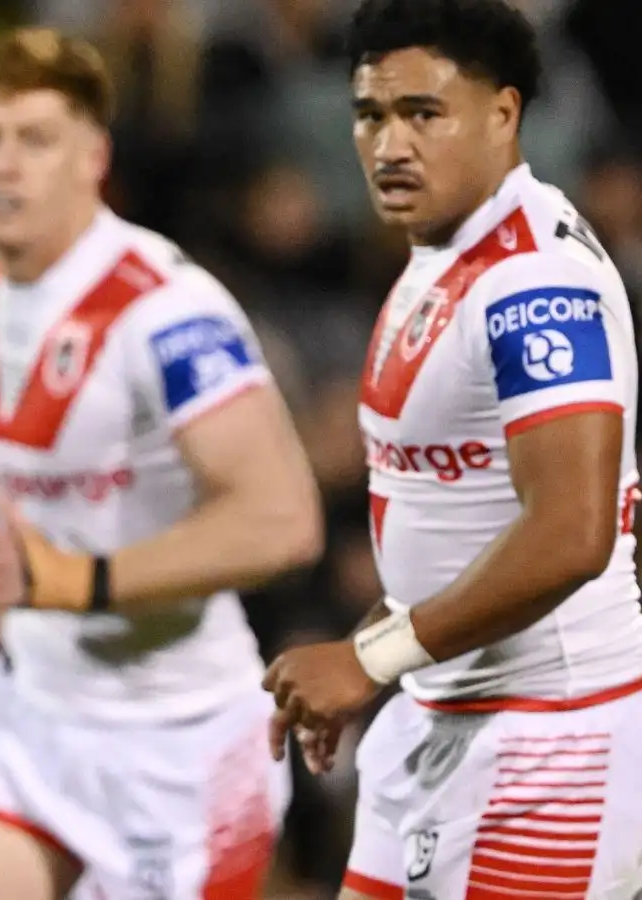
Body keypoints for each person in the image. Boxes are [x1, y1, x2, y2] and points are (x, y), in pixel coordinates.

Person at [0, 28, 324, 900]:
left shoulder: (164, 308)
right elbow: (43, 523)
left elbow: (282, 520)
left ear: (92, 158)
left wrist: (79, 582)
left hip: (179, 743)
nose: (3, 165)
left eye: (34, 141)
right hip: (30, 717)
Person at [262, 2, 642, 898]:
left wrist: (368, 661)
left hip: (551, 742)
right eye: (371, 114)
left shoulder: (534, 282)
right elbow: (460, 514)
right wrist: (374, 650)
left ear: (505, 114)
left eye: (423, 113)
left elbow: (572, 533)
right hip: (441, 712)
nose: (390, 143)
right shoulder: (440, 256)